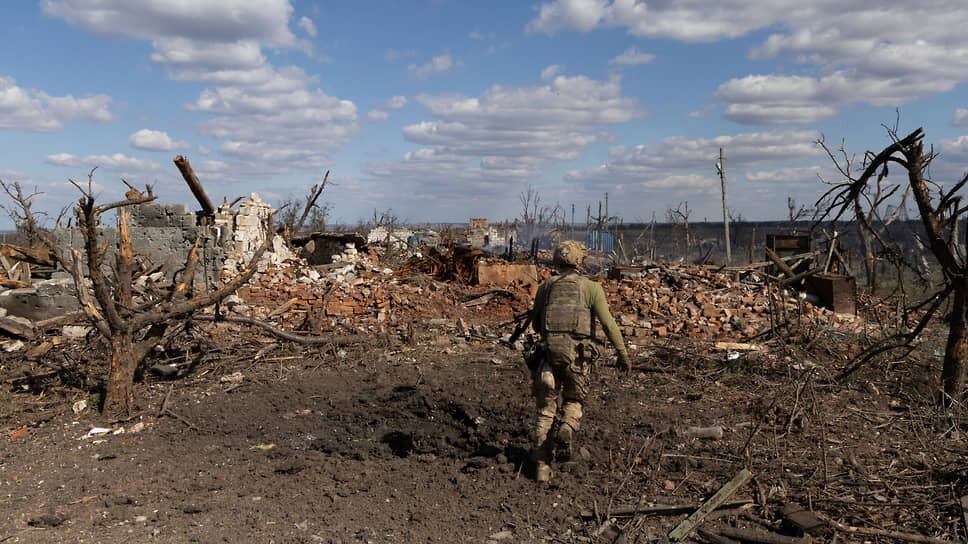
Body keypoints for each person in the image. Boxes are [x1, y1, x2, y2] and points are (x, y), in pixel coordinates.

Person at [528, 240, 630, 482]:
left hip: (548, 357)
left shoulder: (545, 287)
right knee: (574, 399)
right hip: (578, 359)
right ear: (580, 261)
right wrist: (622, 353)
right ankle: (567, 427)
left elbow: (535, 324)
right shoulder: (592, 289)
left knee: (544, 410)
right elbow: (608, 324)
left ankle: (542, 467)